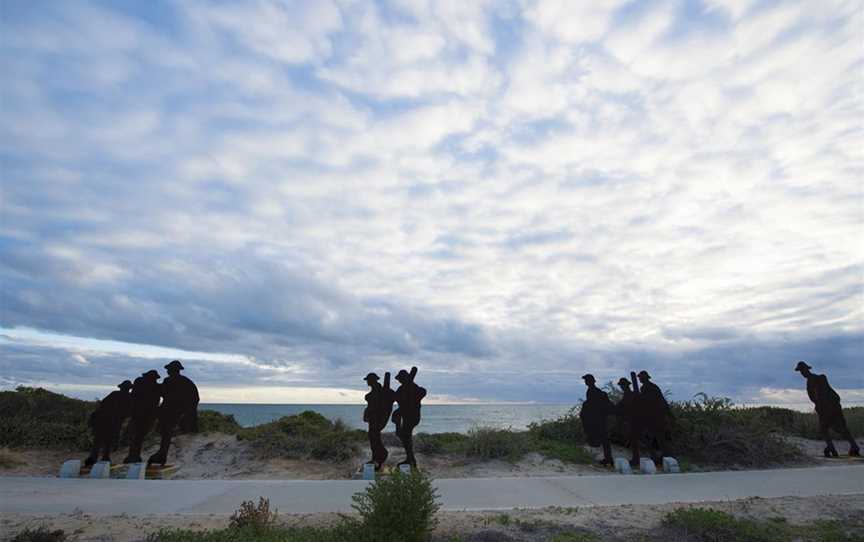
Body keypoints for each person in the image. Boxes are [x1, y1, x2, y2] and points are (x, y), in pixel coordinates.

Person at [795, 361, 860, 457]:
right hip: (833, 406)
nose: (802, 373)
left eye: (802, 371)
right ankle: (853, 446)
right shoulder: (819, 378)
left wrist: (819, 406)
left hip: (826, 408)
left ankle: (832, 449)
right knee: (841, 428)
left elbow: (814, 397)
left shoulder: (812, 380)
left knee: (824, 429)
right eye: (801, 371)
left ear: (806, 370)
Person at [148, 360, 199, 466]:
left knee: (166, 433)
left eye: (169, 370)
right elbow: (195, 398)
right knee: (165, 434)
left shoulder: (174, 381)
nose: (167, 371)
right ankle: (161, 455)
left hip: (171, 412)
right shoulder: (185, 381)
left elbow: (194, 398)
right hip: (171, 412)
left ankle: (161, 455)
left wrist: (186, 412)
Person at [84, 380, 133, 467]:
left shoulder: (114, 394)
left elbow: (103, 404)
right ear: (129, 389)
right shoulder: (129, 397)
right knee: (109, 441)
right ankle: (104, 458)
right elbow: (128, 412)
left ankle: (93, 458)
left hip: (104, 420)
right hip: (114, 422)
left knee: (98, 440)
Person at [123, 370, 162, 464]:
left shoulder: (141, 382)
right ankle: (134, 456)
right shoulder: (152, 385)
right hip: (144, 414)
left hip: (142, 414)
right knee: (138, 435)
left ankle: (133, 455)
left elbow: (133, 397)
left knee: (137, 436)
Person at [392, 366, 426, 469]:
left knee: (406, 436)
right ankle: (410, 459)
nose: (399, 381)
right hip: (403, 416)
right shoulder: (402, 388)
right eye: (399, 379)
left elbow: (422, 392)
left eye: (401, 379)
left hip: (412, 417)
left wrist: (411, 392)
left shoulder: (414, 387)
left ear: (405, 378)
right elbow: (396, 398)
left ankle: (411, 460)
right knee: (404, 437)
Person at [636, 370, 673, 464]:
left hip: (655, 418)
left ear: (644, 378)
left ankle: (663, 457)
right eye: (639, 377)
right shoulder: (649, 387)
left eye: (640, 377)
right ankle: (659, 457)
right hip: (654, 417)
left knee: (657, 438)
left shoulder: (649, 388)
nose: (639, 379)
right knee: (655, 438)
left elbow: (652, 402)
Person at [579, 374, 613, 466]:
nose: (585, 382)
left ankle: (608, 459)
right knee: (604, 439)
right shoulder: (593, 391)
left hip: (598, 419)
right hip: (599, 418)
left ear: (590, 381)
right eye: (585, 380)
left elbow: (592, 405)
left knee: (604, 439)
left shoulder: (593, 391)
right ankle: (608, 458)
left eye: (586, 380)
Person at [363, 372, 395, 470]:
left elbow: (389, 402)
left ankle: (381, 455)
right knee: (373, 437)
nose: (367, 382)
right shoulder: (372, 393)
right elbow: (370, 406)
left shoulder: (382, 392)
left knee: (374, 436)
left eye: (368, 380)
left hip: (378, 419)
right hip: (372, 418)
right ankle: (376, 457)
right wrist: (366, 414)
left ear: (372, 380)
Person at [615, 377, 642, 467]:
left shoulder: (629, 395)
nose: (621, 387)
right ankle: (636, 458)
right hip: (633, 419)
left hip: (633, 420)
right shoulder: (630, 394)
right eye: (621, 385)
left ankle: (636, 459)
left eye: (622, 385)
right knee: (633, 440)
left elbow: (623, 405)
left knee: (634, 440)